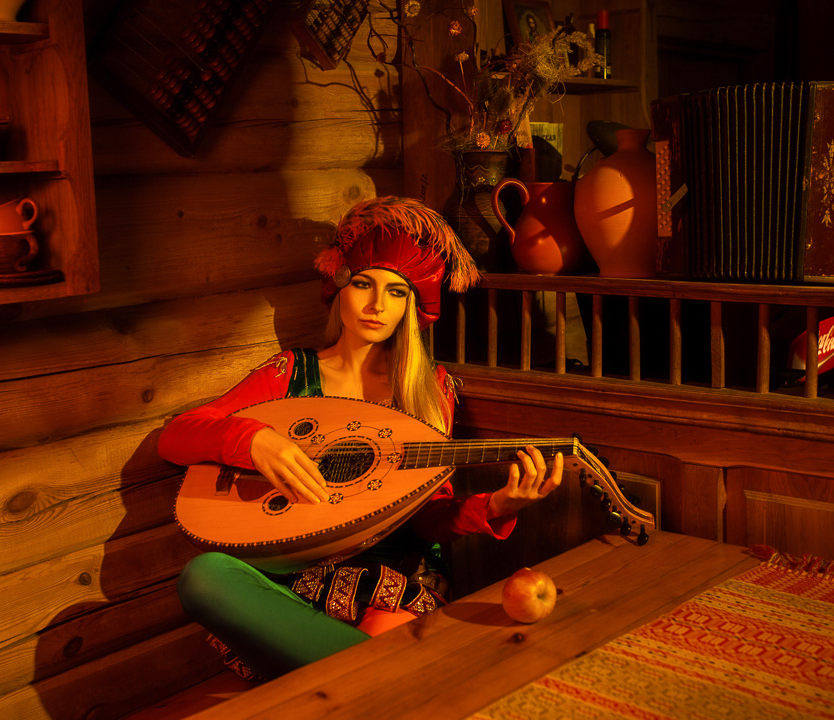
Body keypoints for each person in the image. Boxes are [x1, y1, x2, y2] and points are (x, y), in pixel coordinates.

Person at [158, 196, 563, 681]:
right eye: (364, 284)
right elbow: (175, 437)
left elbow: (429, 519)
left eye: (397, 292)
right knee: (204, 577)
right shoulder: (290, 373)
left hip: (391, 578)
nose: (377, 305)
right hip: (290, 577)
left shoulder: (428, 390)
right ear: (339, 288)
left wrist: (496, 506)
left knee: (376, 657)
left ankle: (362, 683)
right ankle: (389, 685)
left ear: (413, 306)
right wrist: (254, 441)